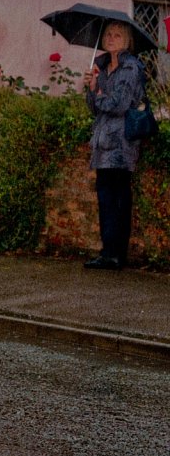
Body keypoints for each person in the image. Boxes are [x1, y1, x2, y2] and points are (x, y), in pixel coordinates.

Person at [82, 21, 146, 270]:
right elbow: (94, 108)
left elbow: (119, 105)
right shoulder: (101, 66)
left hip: (122, 142)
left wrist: (98, 94)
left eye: (117, 35)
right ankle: (107, 252)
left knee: (118, 198)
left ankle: (117, 254)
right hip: (102, 143)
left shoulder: (131, 67)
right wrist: (91, 88)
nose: (111, 38)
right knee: (105, 199)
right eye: (108, 34)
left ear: (126, 40)